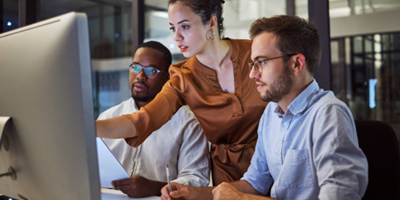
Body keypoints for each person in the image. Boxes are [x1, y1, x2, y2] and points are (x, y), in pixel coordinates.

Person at [161, 15, 369, 200]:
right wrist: (195, 194)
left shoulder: (328, 113)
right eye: (253, 64)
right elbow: (254, 183)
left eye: (262, 62)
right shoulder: (271, 113)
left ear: (297, 64)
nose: (253, 74)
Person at [96, 0, 268, 185]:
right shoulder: (182, 77)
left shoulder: (255, 53)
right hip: (228, 175)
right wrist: (88, 128)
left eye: (184, 26)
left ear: (211, 23)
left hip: (274, 161)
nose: (176, 37)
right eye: (173, 28)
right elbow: (143, 120)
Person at [98, 41, 210, 198]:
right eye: (136, 67)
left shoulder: (188, 123)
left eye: (151, 71)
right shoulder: (108, 117)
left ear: (167, 77)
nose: (140, 76)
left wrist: (155, 187)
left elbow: (197, 179)